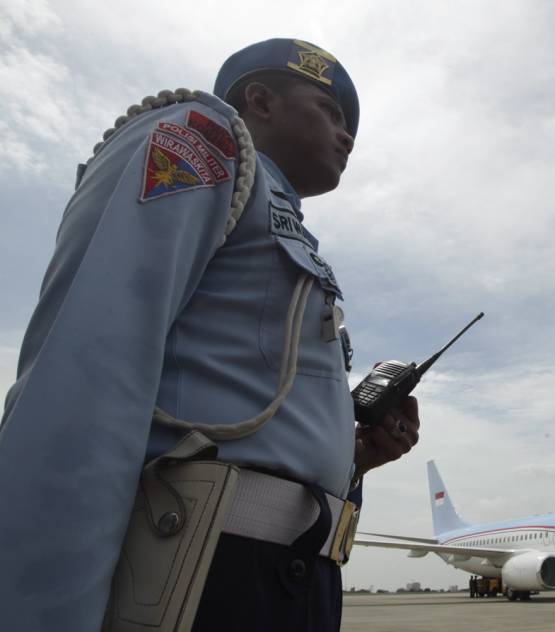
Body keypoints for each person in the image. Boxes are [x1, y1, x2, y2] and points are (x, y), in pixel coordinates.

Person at [0, 38, 419, 632]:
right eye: (329, 111)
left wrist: (354, 459)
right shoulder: (199, 141)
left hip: (294, 577)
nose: (347, 135)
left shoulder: (284, 224)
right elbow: (87, 369)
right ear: (260, 100)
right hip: (200, 572)